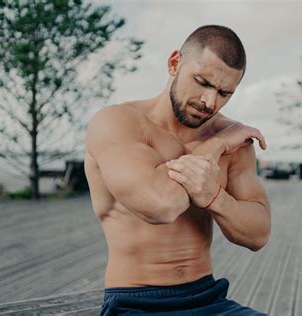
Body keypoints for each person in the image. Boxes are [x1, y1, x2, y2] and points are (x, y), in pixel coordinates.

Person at [84, 25, 271, 315]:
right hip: (136, 303)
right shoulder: (117, 123)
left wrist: (214, 198)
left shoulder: (235, 138)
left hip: (209, 299)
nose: (210, 102)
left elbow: (258, 233)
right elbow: (161, 206)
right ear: (174, 63)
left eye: (224, 93)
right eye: (203, 82)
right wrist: (215, 146)